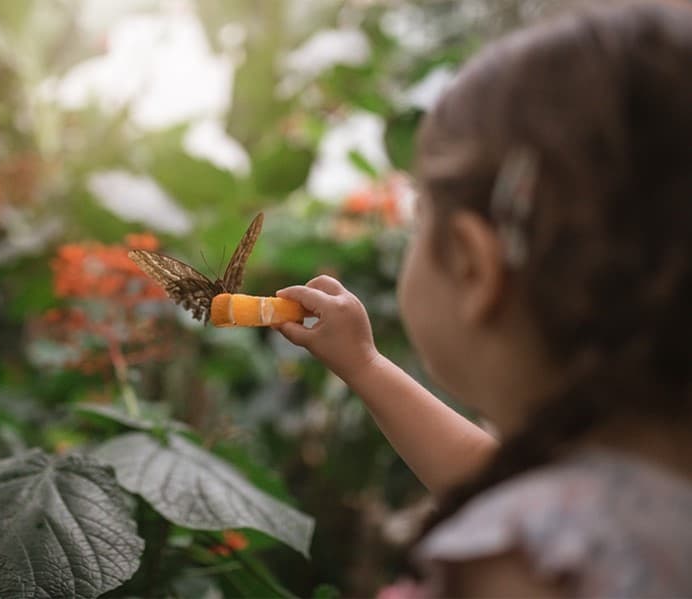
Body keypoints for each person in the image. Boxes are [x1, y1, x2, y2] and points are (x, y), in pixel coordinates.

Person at [275, 1, 692, 596]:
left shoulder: (522, 564)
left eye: (420, 217)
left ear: (474, 264)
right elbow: (492, 473)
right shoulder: (649, 494)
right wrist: (363, 364)